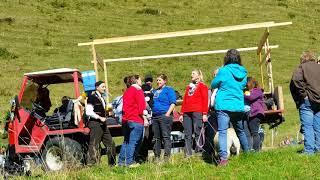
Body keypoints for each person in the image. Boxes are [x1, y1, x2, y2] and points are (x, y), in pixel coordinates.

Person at [211, 49, 249, 166]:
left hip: (223, 105)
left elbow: (213, 84)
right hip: (237, 105)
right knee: (240, 131)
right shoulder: (244, 72)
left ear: (226, 58)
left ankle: (223, 159)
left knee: (222, 132)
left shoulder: (223, 70)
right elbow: (243, 85)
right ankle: (248, 153)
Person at [290, 51, 320, 154]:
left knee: (308, 126)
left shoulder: (302, 67)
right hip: (319, 102)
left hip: (307, 101)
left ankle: (309, 150)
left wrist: (304, 94)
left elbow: (296, 79)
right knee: (318, 126)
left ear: (302, 59)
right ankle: (318, 149)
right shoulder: (318, 66)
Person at [86, 81, 116, 166]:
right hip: (95, 123)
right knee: (94, 143)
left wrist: (108, 113)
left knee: (111, 144)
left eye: (105, 87)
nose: (104, 88)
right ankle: (92, 164)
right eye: (103, 87)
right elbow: (88, 112)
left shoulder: (102, 97)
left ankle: (112, 164)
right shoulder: (91, 97)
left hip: (103, 124)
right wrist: (99, 117)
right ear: (97, 87)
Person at [118, 75, 146, 167]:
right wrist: (145, 117)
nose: (141, 81)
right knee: (133, 142)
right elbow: (141, 107)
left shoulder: (127, 91)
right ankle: (130, 162)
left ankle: (121, 162)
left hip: (126, 119)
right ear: (136, 80)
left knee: (126, 141)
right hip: (136, 119)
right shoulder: (138, 90)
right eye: (140, 79)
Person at [179, 69, 208, 157]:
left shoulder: (203, 86)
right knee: (187, 133)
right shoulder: (189, 87)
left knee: (197, 131)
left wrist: (204, 113)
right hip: (187, 112)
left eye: (193, 73)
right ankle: (188, 153)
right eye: (191, 73)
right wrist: (181, 114)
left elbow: (205, 99)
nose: (191, 75)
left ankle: (199, 151)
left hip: (197, 111)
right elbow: (185, 101)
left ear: (199, 76)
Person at [152, 74, 176, 162]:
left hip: (164, 115)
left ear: (165, 81)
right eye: (157, 80)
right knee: (156, 137)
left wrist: (167, 114)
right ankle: (157, 156)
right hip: (155, 117)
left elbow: (173, 102)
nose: (158, 82)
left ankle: (167, 157)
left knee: (166, 136)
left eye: (160, 80)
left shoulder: (169, 90)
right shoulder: (154, 91)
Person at [244, 77, 264, 151]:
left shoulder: (257, 91)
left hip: (256, 113)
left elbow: (250, 97)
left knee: (255, 133)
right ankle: (254, 149)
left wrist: (244, 92)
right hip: (254, 113)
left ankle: (256, 150)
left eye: (246, 84)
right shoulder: (254, 91)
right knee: (253, 132)